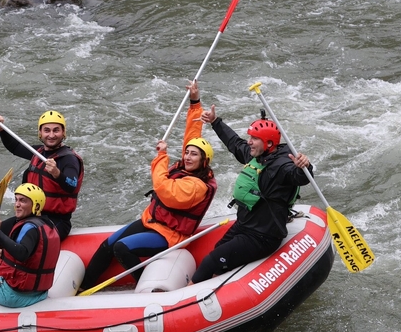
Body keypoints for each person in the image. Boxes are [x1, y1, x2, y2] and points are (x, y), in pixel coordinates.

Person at [79, 81, 217, 291]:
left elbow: (164, 189)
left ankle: (146, 287)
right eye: (187, 152)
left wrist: (162, 156)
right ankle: (82, 289)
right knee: (107, 245)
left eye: (194, 154)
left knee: (122, 247)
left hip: (169, 234)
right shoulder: (188, 166)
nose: (187, 157)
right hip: (151, 221)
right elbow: (193, 134)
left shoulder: (197, 186)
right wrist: (194, 102)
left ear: (204, 161)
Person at [189, 105, 313, 284]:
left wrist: (305, 166)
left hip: (263, 236)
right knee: (218, 252)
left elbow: (299, 176)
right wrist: (215, 122)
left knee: (211, 261)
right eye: (250, 137)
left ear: (269, 144)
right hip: (244, 226)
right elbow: (235, 143)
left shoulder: (281, 166)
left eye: (254, 138)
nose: (249, 141)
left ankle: (187, 292)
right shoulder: (258, 156)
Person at [0, 110, 83, 240]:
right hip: (31, 216)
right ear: (40, 133)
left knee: (25, 240)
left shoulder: (69, 159)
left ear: (63, 133)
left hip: (56, 221)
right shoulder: (38, 152)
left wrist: (57, 173)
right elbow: (15, 147)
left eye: (56, 130)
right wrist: (1, 130)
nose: (51, 135)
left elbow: (72, 185)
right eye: (46, 130)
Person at [0, 184, 60, 308]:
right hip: (40, 292)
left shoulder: (29, 228)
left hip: (15, 296)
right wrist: (1, 253)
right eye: (16, 200)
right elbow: (31, 258)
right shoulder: (49, 225)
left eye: (23, 201)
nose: (17, 204)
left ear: (36, 205)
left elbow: (22, 253)